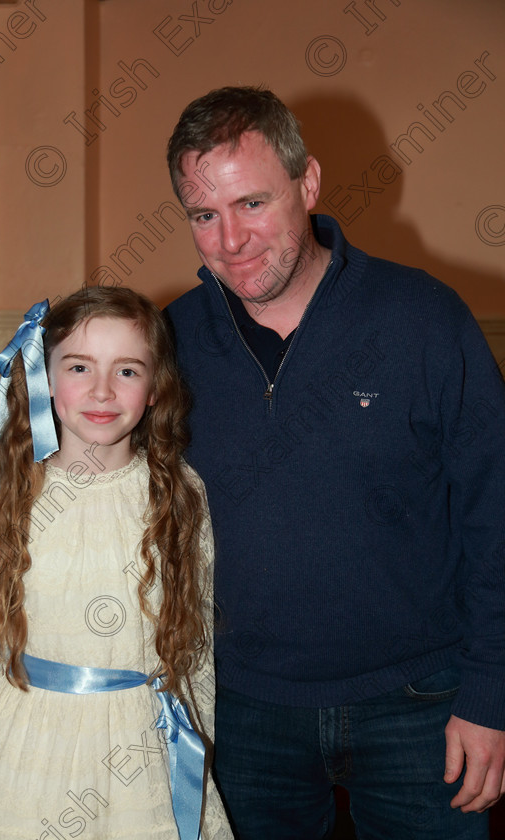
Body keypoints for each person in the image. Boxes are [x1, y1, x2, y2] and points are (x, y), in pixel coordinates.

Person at [164, 86, 505, 839]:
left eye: (252, 203)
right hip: (241, 712)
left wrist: (490, 693)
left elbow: (495, 512)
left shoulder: (423, 318)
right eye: (204, 215)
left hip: (421, 702)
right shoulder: (167, 343)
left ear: (307, 183)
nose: (232, 240)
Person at [0, 285, 232, 840]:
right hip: (27, 752)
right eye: (79, 367)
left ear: (155, 390)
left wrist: (201, 749)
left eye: (127, 371)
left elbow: (195, 650)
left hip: (143, 754)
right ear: (44, 379)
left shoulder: (180, 495)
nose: (102, 391)